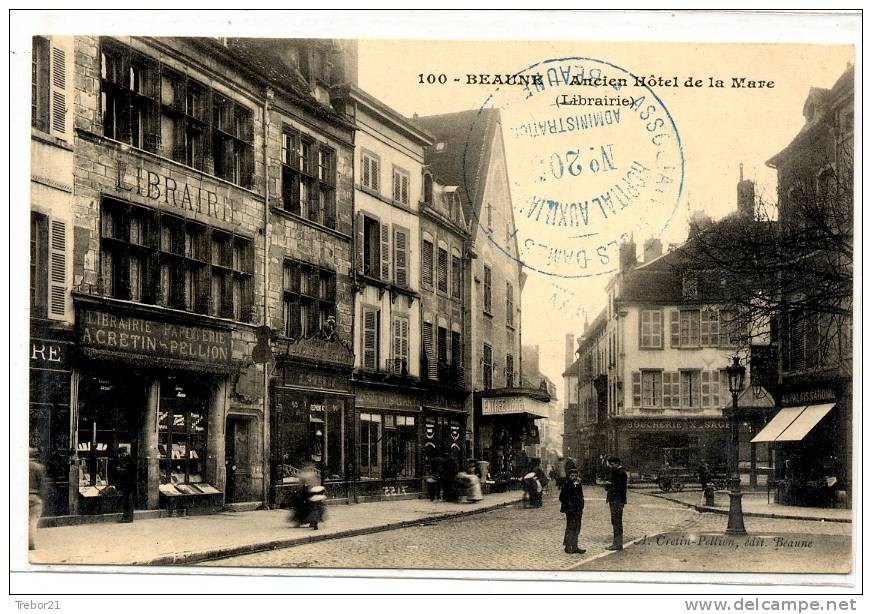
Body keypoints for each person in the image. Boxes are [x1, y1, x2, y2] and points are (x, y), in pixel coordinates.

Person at [559, 467, 586, 554]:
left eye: (575, 475)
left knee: (577, 528)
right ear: (569, 476)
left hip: (578, 510)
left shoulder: (578, 484)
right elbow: (562, 497)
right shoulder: (566, 484)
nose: (574, 477)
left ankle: (575, 546)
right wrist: (568, 505)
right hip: (570, 510)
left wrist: (581, 506)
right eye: (572, 475)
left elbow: (581, 496)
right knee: (570, 528)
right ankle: (567, 547)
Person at [604, 456, 628, 550]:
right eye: (610, 464)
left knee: (617, 522)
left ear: (617, 463)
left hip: (617, 500)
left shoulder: (621, 473)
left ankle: (618, 544)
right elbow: (607, 487)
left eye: (612, 464)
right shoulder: (614, 472)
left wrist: (609, 484)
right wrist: (608, 484)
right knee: (615, 521)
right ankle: (616, 543)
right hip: (613, 500)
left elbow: (619, 488)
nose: (610, 466)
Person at [111, 444, 137, 523]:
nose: (121, 455)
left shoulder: (130, 460)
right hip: (126, 484)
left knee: (129, 501)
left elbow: (132, 471)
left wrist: (121, 470)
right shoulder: (125, 459)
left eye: (122, 454)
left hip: (130, 484)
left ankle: (129, 517)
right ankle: (126, 517)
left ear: (125, 453)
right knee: (126, 501)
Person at [29, 448, 46, 551]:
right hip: (35, 497)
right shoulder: (39, 468)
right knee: (33, 521)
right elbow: (42, 484)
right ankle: (30, 544)